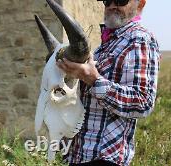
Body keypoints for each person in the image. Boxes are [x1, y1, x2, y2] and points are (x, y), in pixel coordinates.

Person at [57, 0, 160, 165]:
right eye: (107, 0)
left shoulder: (139, 39)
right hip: (79, 155)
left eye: (121, 0)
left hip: (105, 157)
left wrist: (93, 80)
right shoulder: (104, 46)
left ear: (140, 4)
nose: (112, 5)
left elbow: (143, 102)